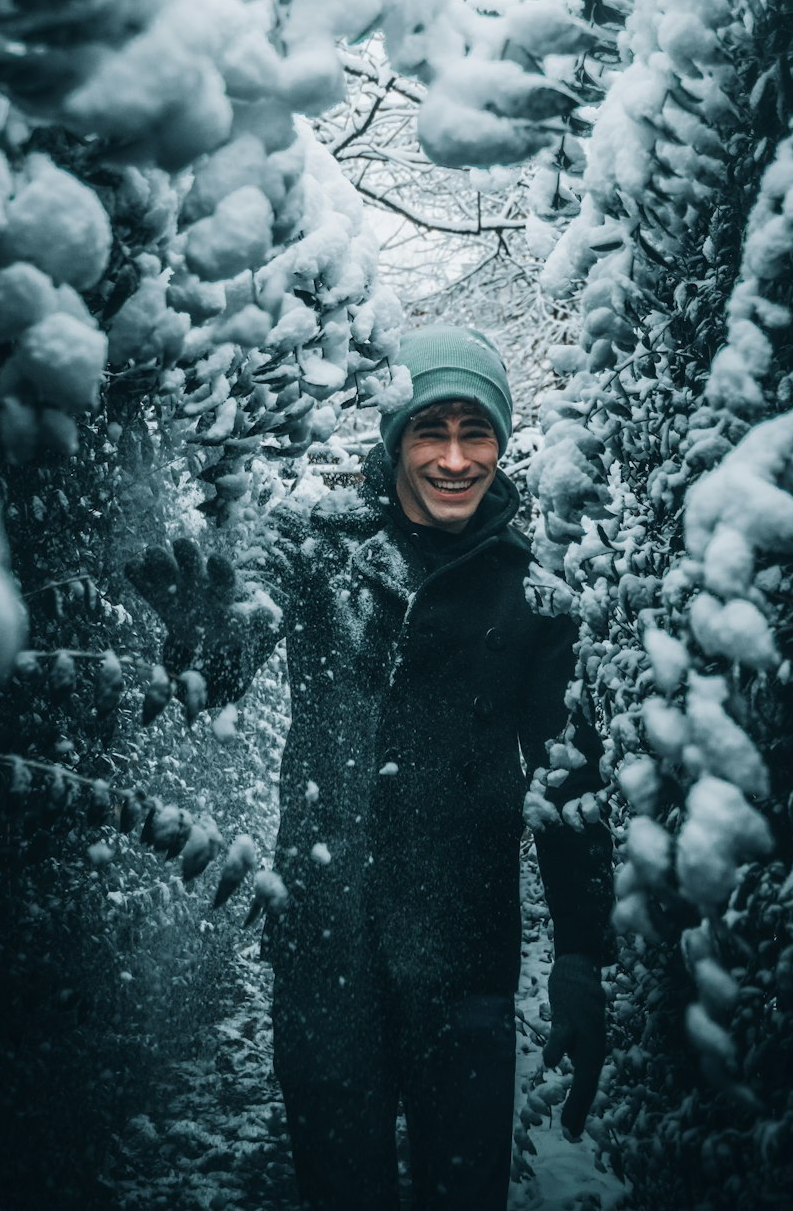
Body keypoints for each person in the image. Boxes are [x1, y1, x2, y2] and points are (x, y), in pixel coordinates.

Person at [127, 324, 612, 1211]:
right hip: (325, 946)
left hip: (466, 952)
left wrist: (581, 951)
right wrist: (206, 636)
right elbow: (245, 624)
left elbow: (566, 778)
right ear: (395, 439)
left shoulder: (533, 592)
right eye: (432, 430)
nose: (457, 458)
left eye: (479, 433)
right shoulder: (316, 547)